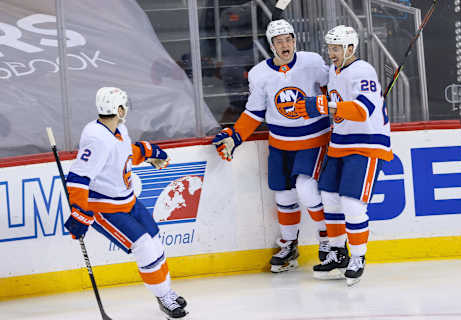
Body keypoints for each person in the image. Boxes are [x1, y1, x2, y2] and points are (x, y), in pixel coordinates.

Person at [212, 19, 331, 273]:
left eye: (288, 39)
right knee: (283, 195)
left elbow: (333, 91)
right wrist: (236, 136)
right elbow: (255, 112)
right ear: (271, 45)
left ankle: (328, 239)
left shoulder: (311, 62)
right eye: (279, 41)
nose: (285, 45)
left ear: (295, 41)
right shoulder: (259, 74)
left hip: (313, 140)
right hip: (280, 144)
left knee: (307, 190)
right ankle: (289, 244)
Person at [63, 87, 188, 319]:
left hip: (129, 201)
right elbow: (78, 177)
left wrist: (148, 152)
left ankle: (166, 291)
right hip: (106, 209)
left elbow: (124, 153)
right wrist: (80, 213)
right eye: (125, 106)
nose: (126, 109)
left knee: (155, 243)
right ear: (119, 109)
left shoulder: (119, 129)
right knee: (145, 247)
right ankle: (163, 297)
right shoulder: (95, 138)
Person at [295, 25, 393, 286]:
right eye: (330, 48)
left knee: (352, 203)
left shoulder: (363, 71)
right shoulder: (334, 70)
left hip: (367, 145)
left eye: (336, 48)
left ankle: (358, 257)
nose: (332, 53)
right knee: (329, 198)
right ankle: (338, 252)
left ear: (351, 48)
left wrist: (321, 104)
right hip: (340, 143)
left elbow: (362, 111)